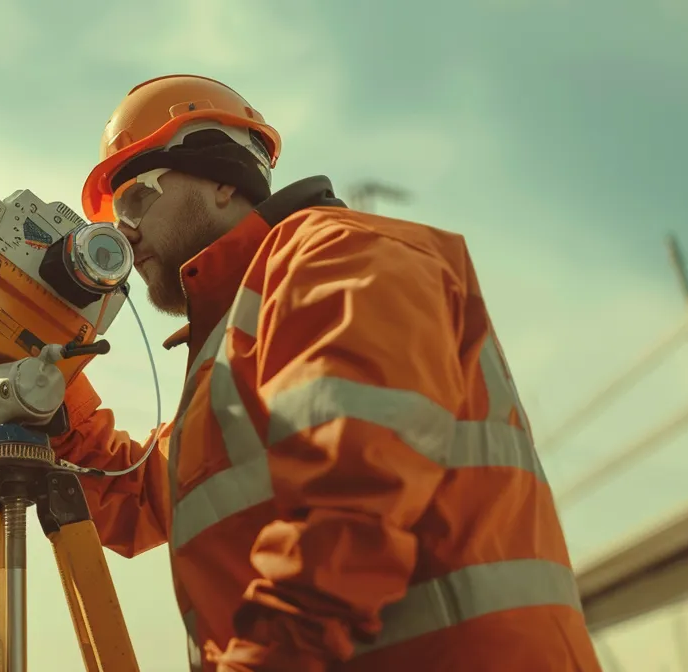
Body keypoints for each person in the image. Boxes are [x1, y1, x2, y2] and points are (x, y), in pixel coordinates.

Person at [56, 74, 603, 671]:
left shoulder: (336, 260)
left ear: (221, 178)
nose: (123, 233)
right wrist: (42, 371)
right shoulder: (231, 361)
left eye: (137, 196)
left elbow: (349, 505)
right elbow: (128, 495)